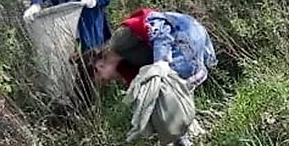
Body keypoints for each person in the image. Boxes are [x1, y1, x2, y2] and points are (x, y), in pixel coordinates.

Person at [89, 8, 217, 89]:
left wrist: (161, 63)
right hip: (182, 52)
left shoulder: (119, 42)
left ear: (99, 66)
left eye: (104, 79)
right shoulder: (125, 65)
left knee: (167, 82)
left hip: (185, 33)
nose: (110, 81)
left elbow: (160, 28)